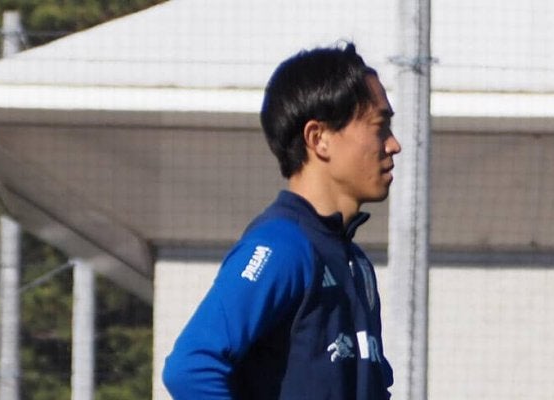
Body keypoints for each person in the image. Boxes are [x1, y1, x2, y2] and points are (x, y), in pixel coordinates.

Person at [162, 42, 400, 399]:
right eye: (380, 127)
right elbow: (191, 367)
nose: (393, 144)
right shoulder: (283, 248)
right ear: (318, 139)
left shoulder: (355, 263)